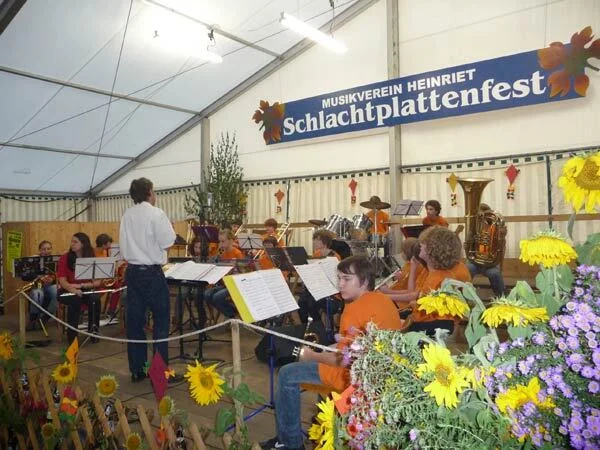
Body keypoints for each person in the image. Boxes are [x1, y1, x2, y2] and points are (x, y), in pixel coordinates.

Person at [261, 256, 402, 450]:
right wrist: (328, 350)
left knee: (287, 373)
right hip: (383, 374)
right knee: (320, 357)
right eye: (339, 278)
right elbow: (355, 345)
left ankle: (290, 443)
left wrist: (311, 356)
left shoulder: (354, 309)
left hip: (356, 378)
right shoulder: (383, 300)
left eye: (347, 279)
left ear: (364, 282)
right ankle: (323, 420)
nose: (340, 284)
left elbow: (343, 361)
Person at [120, 177, 176, 383]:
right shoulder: (156, 213)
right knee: (161, 323)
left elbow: (123, 244)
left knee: (135, 323)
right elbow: (168, 242)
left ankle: (138, 370)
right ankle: (159, 372)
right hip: (152, 273)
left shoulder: (127, 215)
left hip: (133, 272)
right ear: (150, 192)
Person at [407, 226, 471, 335]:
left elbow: (438, 322)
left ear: (433, 250)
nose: (420, 245)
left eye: (424, 243)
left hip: (428, 330)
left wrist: (407, 323)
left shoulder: (437, 279)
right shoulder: (437, 274)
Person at [56, 233, 102, 344]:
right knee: (75, 300)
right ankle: (72, 337)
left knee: (95, 299)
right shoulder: (64, 258)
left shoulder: (91, 259)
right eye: (72, 241)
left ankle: (93, 332)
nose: (72, 244)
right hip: (66, 290)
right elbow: (62, 281)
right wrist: (74, 290)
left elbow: (97, 282)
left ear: (83, 244)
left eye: (75, 242)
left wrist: (81, 286)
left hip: (82, 289)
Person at [297, 230, 341, 324]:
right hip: (318, 288)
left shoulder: (335, 257)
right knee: (301, 302)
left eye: (317, 240)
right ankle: (306, 326)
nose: (314, 242)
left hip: (332, 292)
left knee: (312, 303)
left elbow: (336, 278)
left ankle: (318, 326)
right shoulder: (317, 254)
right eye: (314, 239)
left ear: (325, 241)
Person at [465, 203, 506, 298]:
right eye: (479, 215)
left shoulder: (496, 227)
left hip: (490, 263)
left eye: (483, 215)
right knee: (467, 270)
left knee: (495, 274)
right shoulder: (474, 228)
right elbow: (468, 247)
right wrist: (467, 245)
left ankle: (502, 297)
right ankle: (464, 296)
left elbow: (501, 246)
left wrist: (502, 235)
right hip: (474, 262)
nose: (481, 217)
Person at [203, 230, 243, 319]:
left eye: (223, 241)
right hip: (224, 284)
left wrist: (234, 268)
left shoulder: (237, 253)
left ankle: (231, 316)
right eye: (219, 241)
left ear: (231, 241)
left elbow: (242, 272)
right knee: (207, 294)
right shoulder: (220, 252)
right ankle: (232, 312)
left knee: (217, 297)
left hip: (234, 284)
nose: (220, 244)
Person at [378, 238, 428, 304]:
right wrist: (400, 278)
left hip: (401, 301)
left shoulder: (418, 267)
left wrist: (387, 293)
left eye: (402, 251)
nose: (401, 254)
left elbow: (411, 293)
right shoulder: (409, 264)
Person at [28, 240, 58, 328]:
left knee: (57, 292)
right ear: (40, 250)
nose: (46, 251)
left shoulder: (55, 260)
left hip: (50, 285)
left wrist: (52, 278)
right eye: (44, 249)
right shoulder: (34, 260)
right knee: (37, 293)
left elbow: (60, 275)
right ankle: (33, 319)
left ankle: (46, 317)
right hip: (37, 284)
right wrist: (38, 276)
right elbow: (25, 277)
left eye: (49, 249)